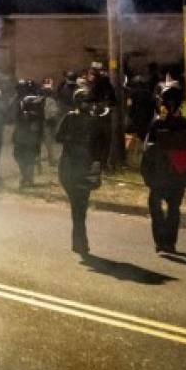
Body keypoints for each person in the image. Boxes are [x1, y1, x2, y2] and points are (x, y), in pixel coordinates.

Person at [140, 84, 186, 253]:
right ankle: (169, 243)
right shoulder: (184, 124)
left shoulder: (157, 124)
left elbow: (147, 150)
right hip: (177, 175)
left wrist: (147, 174)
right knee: (173, 209)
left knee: (157, 209)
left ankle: (161, 242)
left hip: (159, 175)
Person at [55, 88, 107, 254]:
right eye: (85, 101)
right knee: (78, 206)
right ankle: (80, 242)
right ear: (78, 102)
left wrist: (98, 163)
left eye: (89, 101)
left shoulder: (94, 120)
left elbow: (102, 143)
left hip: (84, 167)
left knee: (80, 207)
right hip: (70, 167)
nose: (88, 105)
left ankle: (79, 242)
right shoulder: (70, 118)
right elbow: (58, 137)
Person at [11, 80, 46, 188]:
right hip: (26, 133)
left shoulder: (32, 100)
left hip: (28, 133)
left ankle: (28, 178)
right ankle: (27, 177)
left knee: (26, 156)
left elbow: (39, 118)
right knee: (23, 156)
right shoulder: (24, 100)